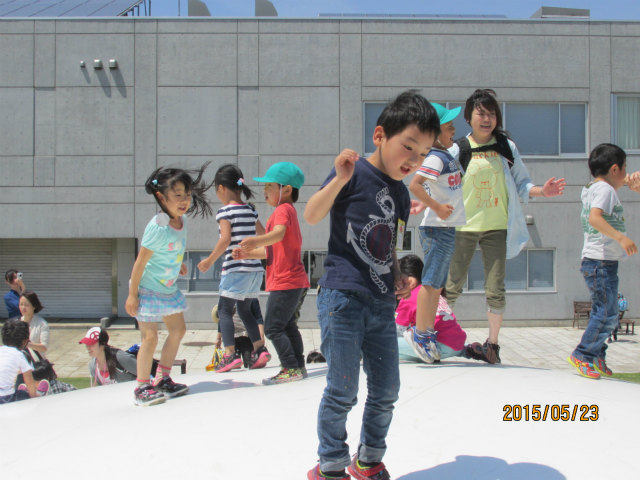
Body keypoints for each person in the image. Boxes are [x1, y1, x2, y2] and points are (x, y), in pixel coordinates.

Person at [303, 91, 440, 480]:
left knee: (386, 390)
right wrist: (339, 179)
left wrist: (396, 274)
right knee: (342, 389)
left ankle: (368, 460)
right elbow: (312, 215)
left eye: (422, 154)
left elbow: (388, 245)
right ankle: (331, 464)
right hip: (342, 298)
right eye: (408, 147)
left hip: (381, 305)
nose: (413, 160)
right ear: (380, 135)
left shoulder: (400, 194)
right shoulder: (353, 172)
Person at [445, 89, 566, 364]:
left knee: (495, 288)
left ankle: (493, 344)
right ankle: (440, 334)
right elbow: (441, 184)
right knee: (452, 285)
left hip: (497, 227)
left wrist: (542, 191)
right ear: (468, 117)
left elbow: (523, 183)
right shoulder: (458, 149)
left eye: (492, 114)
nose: (487, 119)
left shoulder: (505, 147)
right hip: (463, 227)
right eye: (481, 114)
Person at [125, 163, 214, 406]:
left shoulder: (181, 221)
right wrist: (132, 295)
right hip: (147, 289)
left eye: (187, 195)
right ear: (161, 197)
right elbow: (140, 263)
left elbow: (170, 249)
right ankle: (142, 387)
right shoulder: (158, 226)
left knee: (178, 330)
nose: (184, 200)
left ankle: (163, 379)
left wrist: (177, 265)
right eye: (177, 195)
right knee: (150, 338)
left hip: (167, 288)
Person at [234, 162, 310, 385]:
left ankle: (290, 367)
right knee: (288, 325)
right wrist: (247, 253)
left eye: (269, 186)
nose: (265, 190)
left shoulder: (283, 210)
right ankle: (298, 366)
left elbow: (277, 235)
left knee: (273, 328)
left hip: (286, 281)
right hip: (294, 280)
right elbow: (272, 250)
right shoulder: (286, 211)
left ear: (286, 189)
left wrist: (255, 240)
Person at [567, 143, 638, 379]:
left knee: (607, 313)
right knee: (606, 313)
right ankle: (583, 354)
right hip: (600, 262)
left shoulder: (592, 187)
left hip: (599, 261)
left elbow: (610, 184)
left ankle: (597, 354)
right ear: (615, 169)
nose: (627, 174)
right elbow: (595, 218)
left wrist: (628, 181)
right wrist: (621, 238)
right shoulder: (606, 191)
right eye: (625, 168)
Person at [404, 102, 465, 363]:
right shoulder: (436, 157)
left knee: (436, 283)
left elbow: (436, 188)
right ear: (434, 132)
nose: (453, 130)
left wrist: (427, 204)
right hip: (438, 229)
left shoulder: (444, 155)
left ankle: (425, 332)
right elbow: (414, 184)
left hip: (444, 227)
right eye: (448, 126)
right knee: (431, 283)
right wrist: (436, 207)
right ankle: (421, 333)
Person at [197, 164, 271, 372]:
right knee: (245, 310)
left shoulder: (225, 211)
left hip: (235, 269)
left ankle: (229, 355)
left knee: (224, 310)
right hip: (254, 270)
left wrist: (209, 260)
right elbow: (264, 236)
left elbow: (225, 239)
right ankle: (259, 350)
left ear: (221, 188)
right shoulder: (250, 210)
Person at [395, 255, 482, 363]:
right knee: (401, 352)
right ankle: (467, 350)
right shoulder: (434, 293)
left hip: (436, 346)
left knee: (383, 344)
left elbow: (398, 329)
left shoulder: (409, 297)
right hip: (457, 344)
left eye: (402, 281)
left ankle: (429, 355)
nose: (400, 286)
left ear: (412, 274)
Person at [0, 319, 48, 404]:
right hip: (5, 397)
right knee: (23, 395)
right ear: (25, 341)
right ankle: (38, 394)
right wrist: (33, 396)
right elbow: (28, 378)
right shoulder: (20, 355)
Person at [19, 291, 49, 358]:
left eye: (26, 305)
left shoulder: (42, 324)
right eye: (21, 304)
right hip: (20, 361)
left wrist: (27, 344)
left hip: (36, 361)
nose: (23, 307)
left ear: (34, 306)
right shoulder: (16, 323)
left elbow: (44, 347)